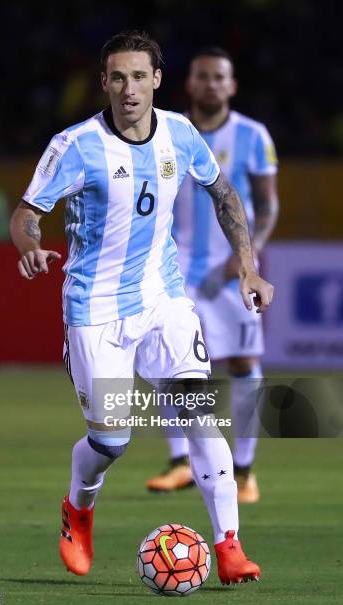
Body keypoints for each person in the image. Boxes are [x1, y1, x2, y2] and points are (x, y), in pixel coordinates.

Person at [10, 31, 273, 584]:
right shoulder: (75, 145)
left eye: (139, 76)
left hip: (164, 299)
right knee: (112, 439)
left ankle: (228, 546)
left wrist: (248, 265)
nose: (128, 89)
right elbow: (27, 212)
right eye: (117, 77)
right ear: (104, 82)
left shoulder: (180, 132)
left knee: (201, 416)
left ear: (157, 79)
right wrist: (30, 246)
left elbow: (224, 194)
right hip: (95, 307)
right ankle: (79, 509)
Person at [146, 48, 279, 502]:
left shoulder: (252, 135)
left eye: (219, 77)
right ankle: (181, 461)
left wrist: (247, 257)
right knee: (173, 363)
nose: (210, 84)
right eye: (202, 76)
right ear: (189, 83)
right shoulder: (167, 129)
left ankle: (243, 472)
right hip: (171, 268)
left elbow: (268, 204)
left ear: (232, 85)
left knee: (241, 363)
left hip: (229, 271)